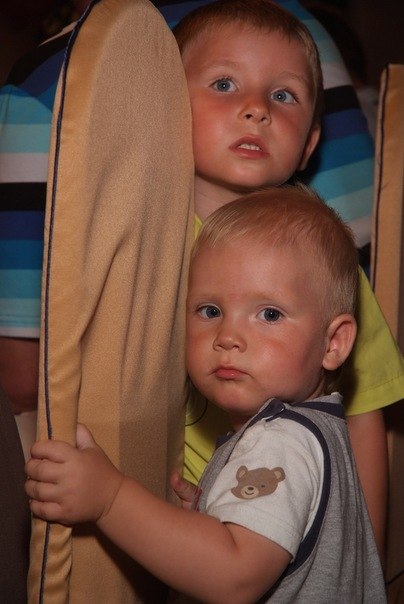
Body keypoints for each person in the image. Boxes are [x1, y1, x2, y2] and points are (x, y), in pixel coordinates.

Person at [26, 187, 386, 602]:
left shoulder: (281, 441)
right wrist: (213, 516)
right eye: (210, 311)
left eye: (269, 314)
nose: (228, 336)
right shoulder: (321, 431)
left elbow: (234, 577)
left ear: (333, 343)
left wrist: (109, 498)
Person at [170, 0, 404, 562]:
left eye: (283, 95)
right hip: (179, 523)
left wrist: (363, 558)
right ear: (166, 110)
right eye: (225, 84)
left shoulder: (321, 259)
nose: (256, 109)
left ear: (309, 144)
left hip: (293, 532)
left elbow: (363, 412)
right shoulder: (144, 236)